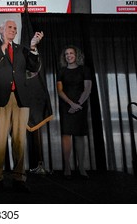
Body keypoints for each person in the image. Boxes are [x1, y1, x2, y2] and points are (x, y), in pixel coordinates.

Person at [0, 19, 43, 193]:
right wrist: (3, 46)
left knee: (19, 141)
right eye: (10, 27)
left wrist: (32, 47)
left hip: (20, 99)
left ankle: (19, 178)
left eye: (15, 28)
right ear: (1, 29)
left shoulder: (22, 50)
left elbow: (33, 66)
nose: (13, 30)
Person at [57, 45, 91, 179]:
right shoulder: (61, 71)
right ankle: (67, 166)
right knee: (66, 135)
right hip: (66, 106)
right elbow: (60, 90)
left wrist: (77, 105)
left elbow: (87, 89)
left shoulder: (85, 70)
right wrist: (71, 104)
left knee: (79, 136)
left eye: (71, 53)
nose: (69, 55)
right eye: (66, 54)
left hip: (80, 105)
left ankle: (81, 166)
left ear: (76, 55)